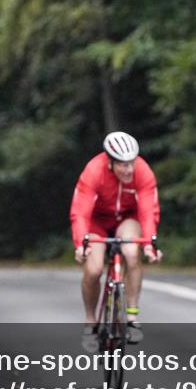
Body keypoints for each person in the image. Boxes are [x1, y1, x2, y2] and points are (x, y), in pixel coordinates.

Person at [70, 131, 162, 352]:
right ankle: (91, 322)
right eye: (123, 165)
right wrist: (80, 245)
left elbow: (149, 212)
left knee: (132, 252)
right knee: (93, 269)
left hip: (127, 219)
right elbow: (80, 213)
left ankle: (131, 317)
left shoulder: (143, 172)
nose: (129, 169)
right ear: (110, 162)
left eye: (132, 163)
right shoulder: (94, 171)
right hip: (97, 222)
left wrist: (150, 244)